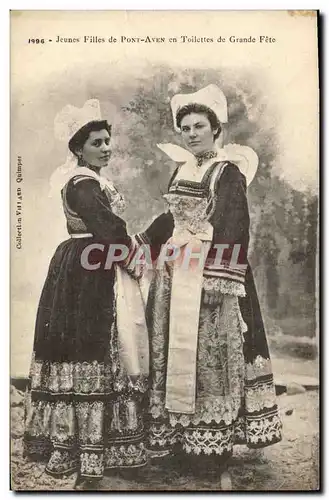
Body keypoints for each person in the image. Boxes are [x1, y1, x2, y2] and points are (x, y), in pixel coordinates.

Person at [142, 85, 283, 489]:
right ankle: (183, 442)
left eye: (198, 126)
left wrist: (217, 279)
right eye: (184, 127)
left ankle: (213, 449)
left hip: (212, 276)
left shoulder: (227, 171)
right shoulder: (183, 169)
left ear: (216, 128)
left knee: (213, 355)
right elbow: (171, 217)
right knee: (177, 353)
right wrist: (145, 242)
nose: (190, 134)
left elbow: (236, 225)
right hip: (177, 274)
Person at [23, 99, 151, 487]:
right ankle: (85, 457)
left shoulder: (92, 181)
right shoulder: (82, 184)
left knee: (104, 349)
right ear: (79, 148)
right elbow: (110, 232)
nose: (107, 147)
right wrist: (143, 241)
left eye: (109, 140)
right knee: (90, 348)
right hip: (86, 272)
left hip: (91, 265)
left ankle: (105, 447)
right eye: (97, 142)